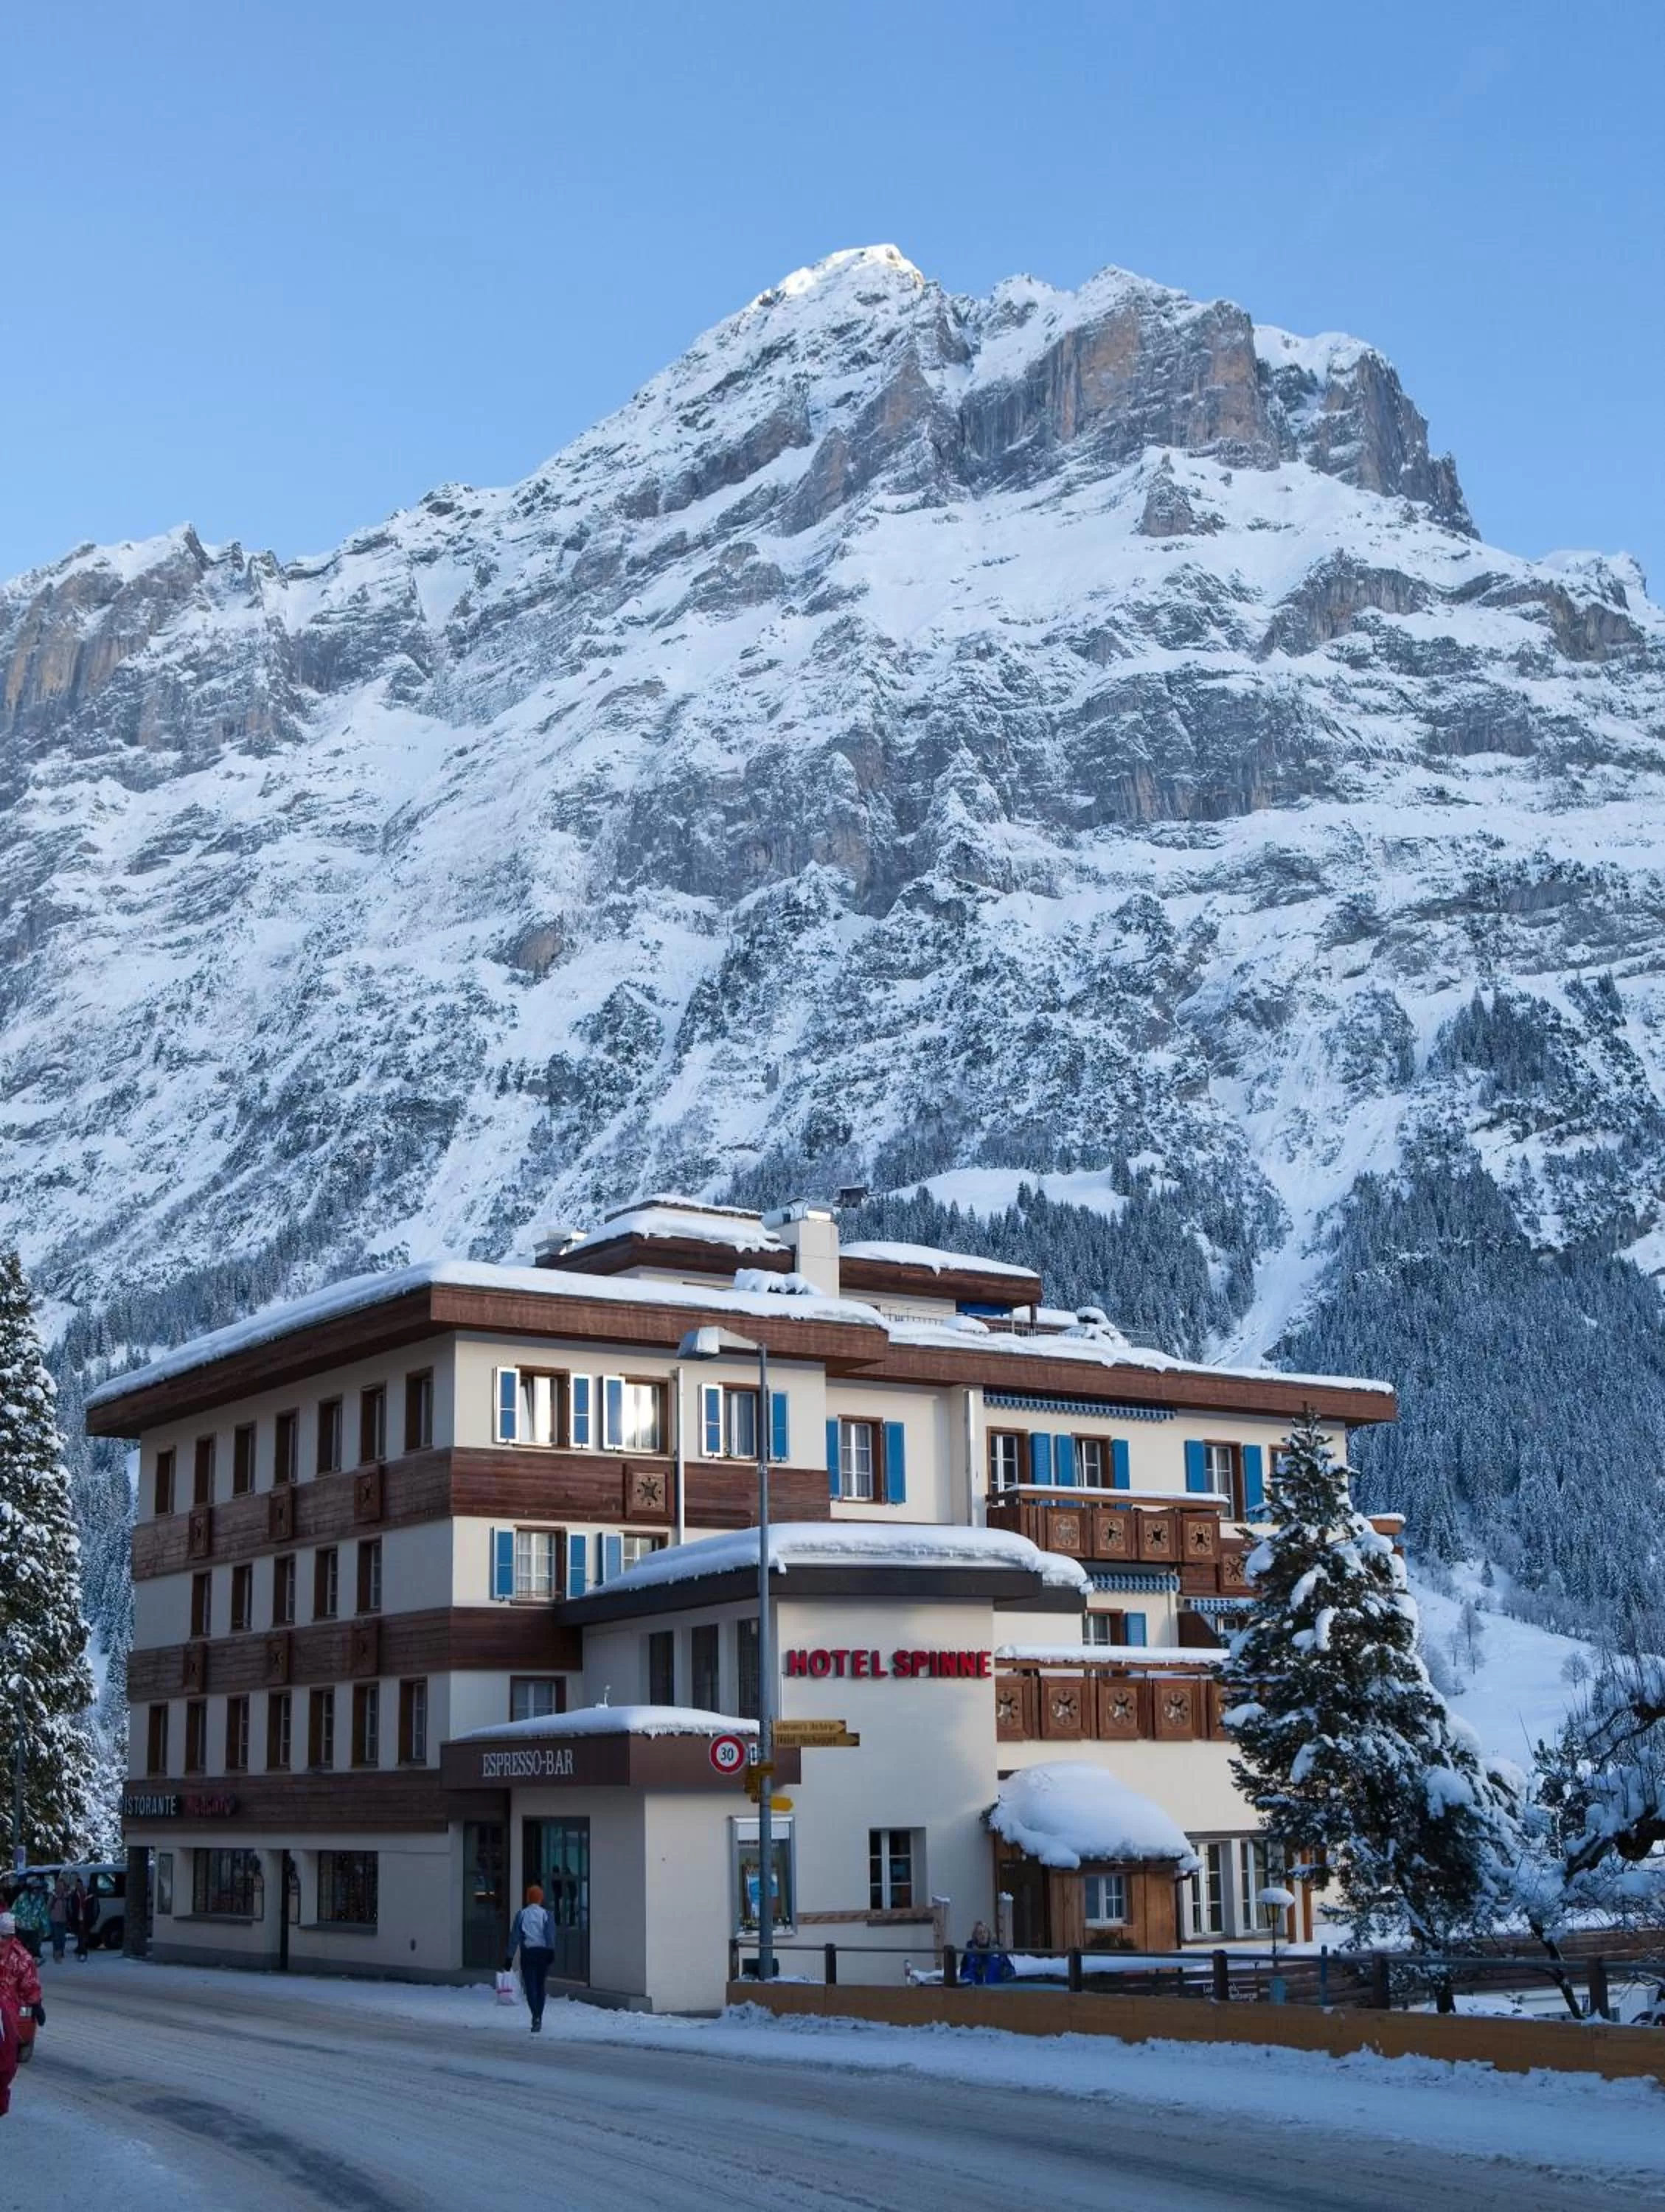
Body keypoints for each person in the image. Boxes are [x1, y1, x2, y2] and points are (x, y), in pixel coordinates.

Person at [0, 1912, 43, 2115]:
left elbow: (29, 1984)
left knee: (6, 2062)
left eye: (6, 1936)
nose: (2, 1941)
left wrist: (36, 2004)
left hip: (7, 2015)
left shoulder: (20, 1957)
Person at [505, 1884, 555, 2034]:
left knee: (530, 1986)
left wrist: (509, 1957)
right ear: (541, 1898)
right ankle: (539, 2015)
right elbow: (550, 1935)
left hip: (528, 1953)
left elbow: (514, 1937)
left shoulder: (521, 1915)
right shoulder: (547, 1915)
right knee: (541, 1986)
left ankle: (535, 2015)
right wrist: (551, 1951)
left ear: (528, 1898)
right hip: (543, 1952)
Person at [48, 1877, 69, 1965]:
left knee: (63, 1938)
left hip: (63, 1919)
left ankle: (61, 1951)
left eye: (61, 1885)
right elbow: (48, 1907)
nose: (60, 1887)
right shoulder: (53, 1896)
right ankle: (57, 1953)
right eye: (58, 1885)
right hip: (54, 1919)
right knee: (56, 1938)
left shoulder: (66, 1896)